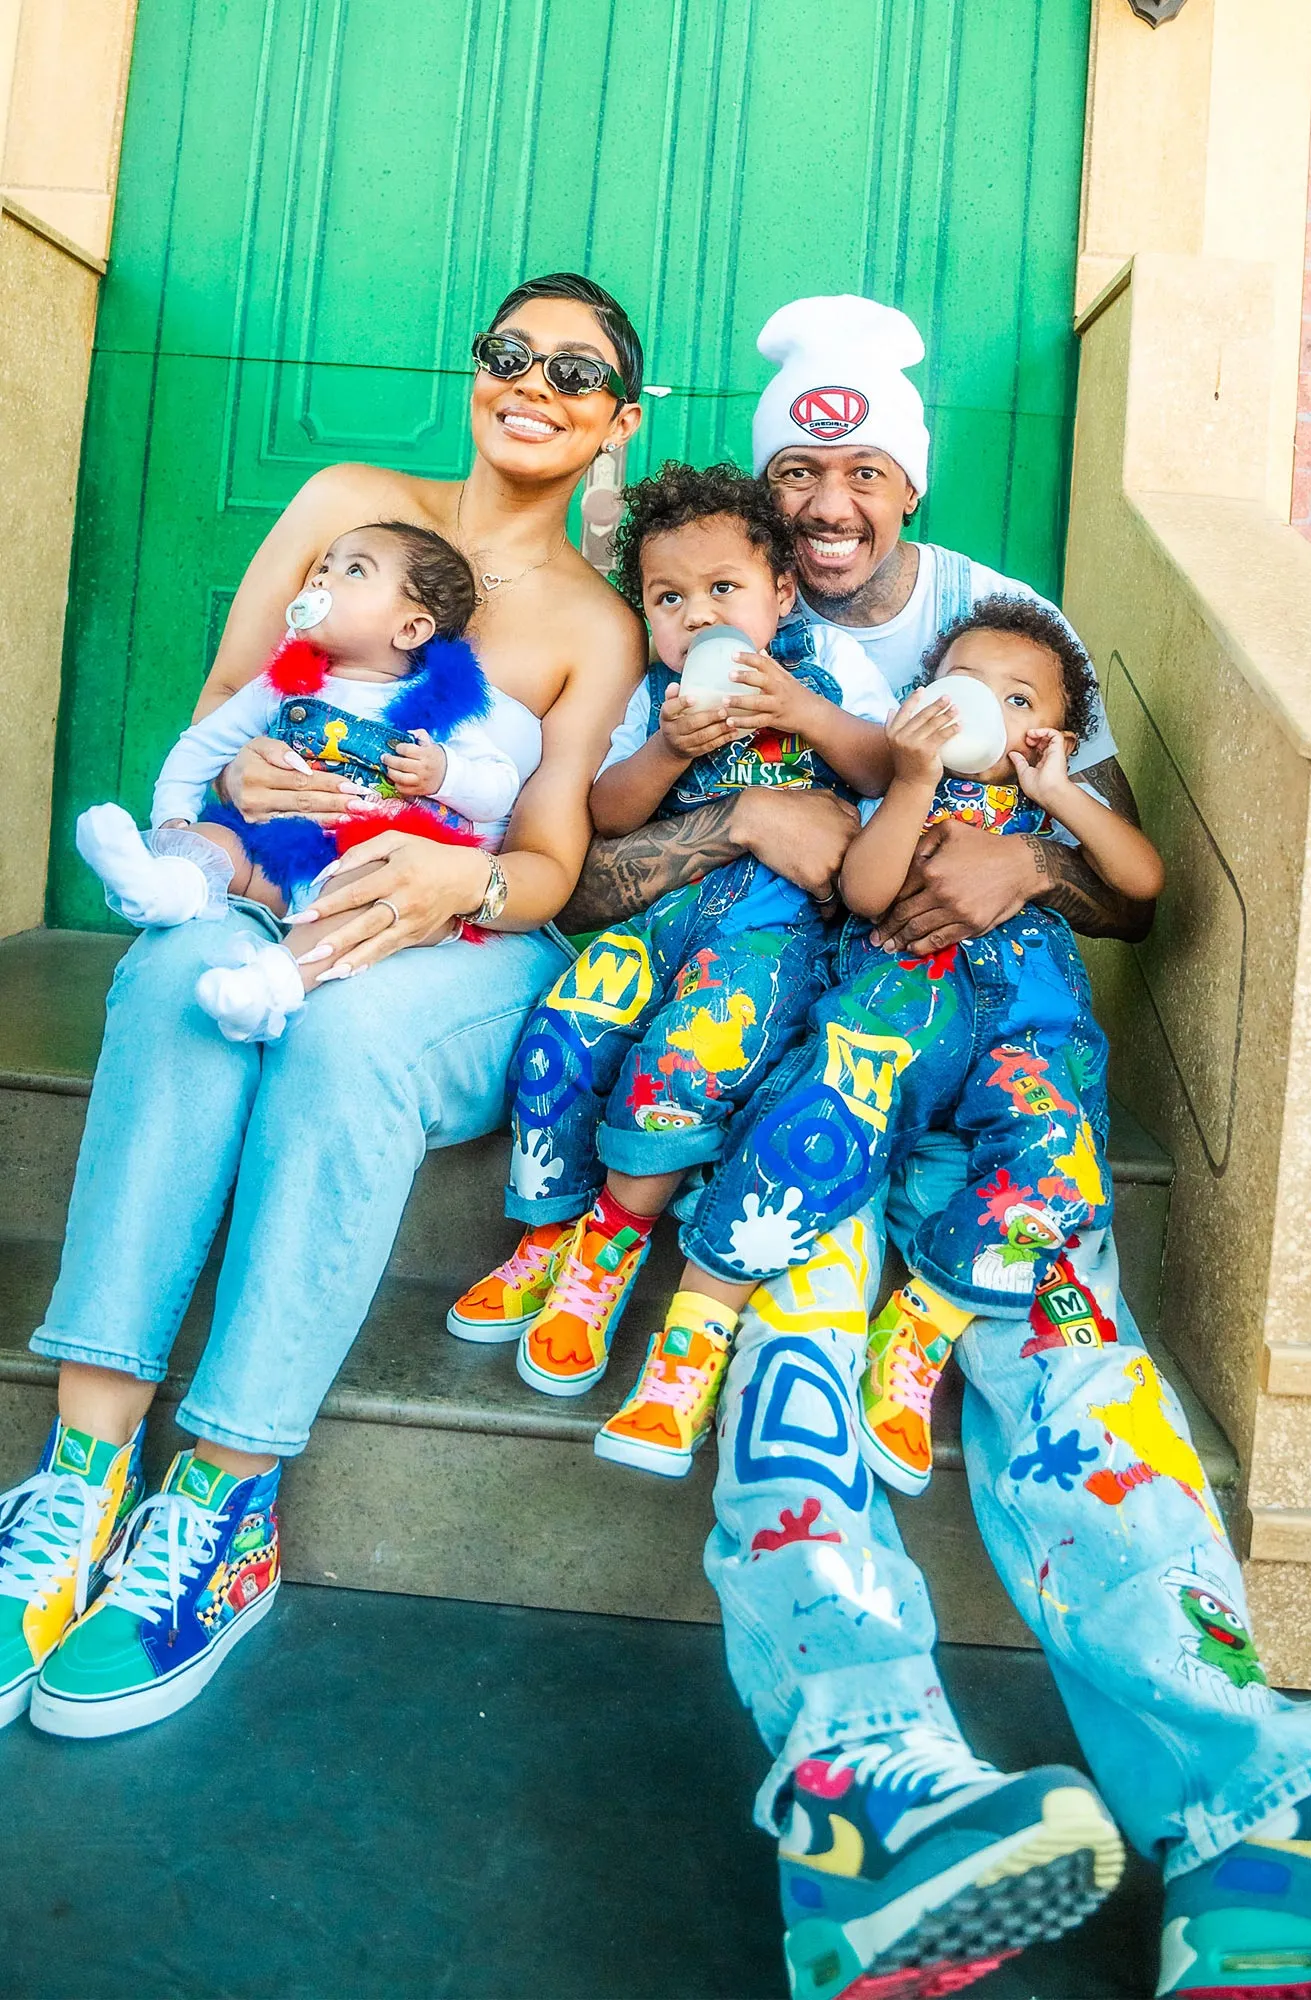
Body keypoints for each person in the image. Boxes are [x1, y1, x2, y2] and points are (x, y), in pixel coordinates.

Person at [561, 297, 1311, 1996]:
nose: (823, 504)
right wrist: (736, 817)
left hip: (994, 1075)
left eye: (853, 470)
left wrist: (1027, 866)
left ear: (901, 486)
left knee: (1074, 1377)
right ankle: (867, 1791)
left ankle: (1249, 1801)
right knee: (794, 1363)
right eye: (794, 472)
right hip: (799, 1085)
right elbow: (578, 876)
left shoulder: (1001, 616)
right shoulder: (705, 624)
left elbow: (1123, 874)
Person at [0, 271, 648, 1740]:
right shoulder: (349, 500)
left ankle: (221, 1513)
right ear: (476, 369)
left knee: (345, 1039)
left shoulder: (591, 624)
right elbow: (226, 712)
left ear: (615, 419)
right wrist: (234, 791)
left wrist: (448, 887)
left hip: (466, 947)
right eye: (509, 352)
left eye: (575, 370)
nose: (533, 383)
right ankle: (79, 1483)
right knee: (175, 976)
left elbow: (548, 862)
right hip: (273, 883)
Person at [449, 462, 892, 1478]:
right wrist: (662, 751)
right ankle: (542, 1235)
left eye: (722, 590)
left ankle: (609, 1248)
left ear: (781, 594)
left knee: (681, 1059)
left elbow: (877, 768)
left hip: (762, 940)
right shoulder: (646, 696)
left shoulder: (825, 669)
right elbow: (602, 813)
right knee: (563, 1030)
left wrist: (799, 710)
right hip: (656, 921)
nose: (696, 617)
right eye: (668, 599)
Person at [674, 593, 1164, 1497]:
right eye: (964, 686)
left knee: (1058, 1158)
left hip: (1027, 1026)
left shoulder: (1050, 812)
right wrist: (908, 778)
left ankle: (926, 1320)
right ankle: (696, 1328)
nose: (988, 708)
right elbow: (865, 894)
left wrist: (1059, 794)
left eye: (1020, 701)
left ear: (1056, 734)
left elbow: (1142, 881)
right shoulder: (902, 786)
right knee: (817, 1108)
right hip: (900, 1007)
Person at [75, 521, 531, 1045]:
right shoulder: (279, 690)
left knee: (365, 894)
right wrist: (173, 819)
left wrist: (445, 772)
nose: (321, 580)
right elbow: (202, 745)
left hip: (358, 867)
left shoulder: (441, 707)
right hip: (277, 857)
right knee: (216, 844)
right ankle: (164, 886)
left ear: (410, 630)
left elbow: (499, 787)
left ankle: (274, 985)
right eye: (324, 566)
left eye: (354, 571)